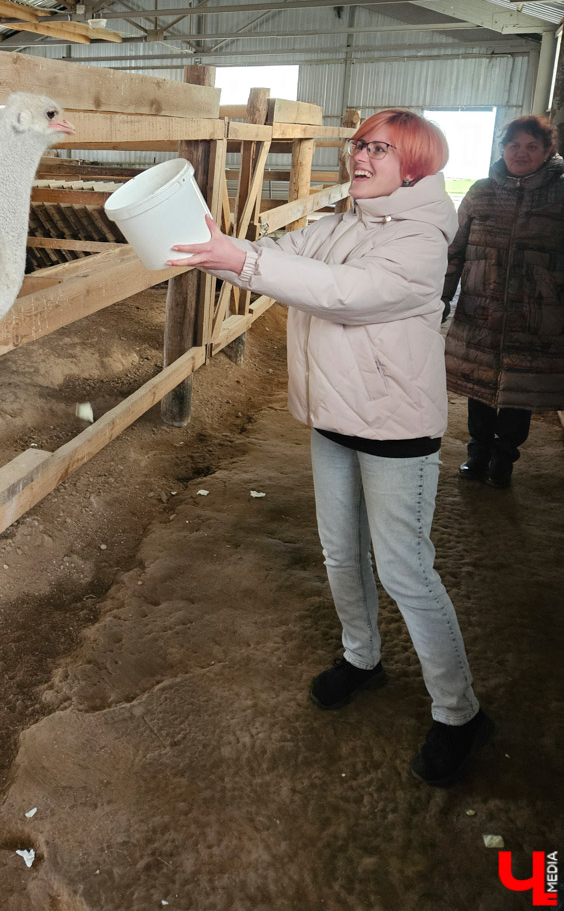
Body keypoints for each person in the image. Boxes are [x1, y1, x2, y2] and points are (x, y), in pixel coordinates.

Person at [169, 109, 491, 787]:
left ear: (416, 165)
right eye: (359, 145)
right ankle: (362, 658)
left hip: (396, 429)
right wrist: (218, 245)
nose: (361, 157)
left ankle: (460, 714)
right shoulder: (347, 223)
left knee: (405, 569)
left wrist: (244, 260)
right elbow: (287, 260)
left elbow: (346, 295)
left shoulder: (422, 241)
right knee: (341, 550)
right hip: (334, 418)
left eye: (378, 148)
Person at [443, 115, 564, 488]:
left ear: (547, 151)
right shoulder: (481, 191)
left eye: (531, 147)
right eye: (513, 145)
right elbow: (454, 250)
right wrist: (442, 297)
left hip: (537, 314)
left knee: (519, 391)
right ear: (502, 149)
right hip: (482, 308)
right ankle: (477, 452)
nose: (521, 153)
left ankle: (504, 457)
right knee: (479, 386)